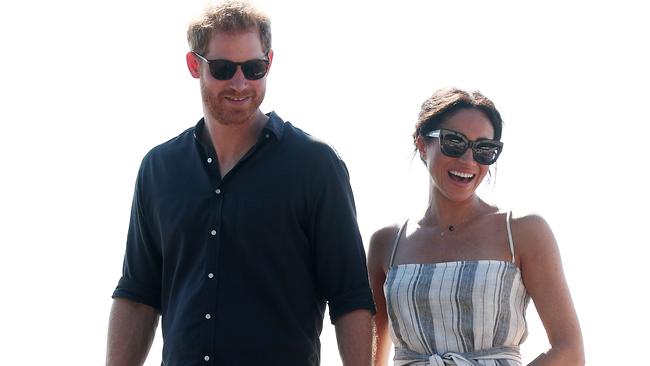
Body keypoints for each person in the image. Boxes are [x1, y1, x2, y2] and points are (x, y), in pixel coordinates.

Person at [106, 2, 375, 365]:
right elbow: (137, 295)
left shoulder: (316, 165)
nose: (239, 83)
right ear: (193, 65)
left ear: (270, 63)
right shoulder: (159, 168)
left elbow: (351, 297)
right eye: (222, 69)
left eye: (253, 68)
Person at [368, 87, 584, 366]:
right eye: (454, 143)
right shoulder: (386, 243)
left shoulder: (523, 231)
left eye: (484, 149)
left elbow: (570, 351)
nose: (468, 160)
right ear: (422, 144)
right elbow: (370, 360)